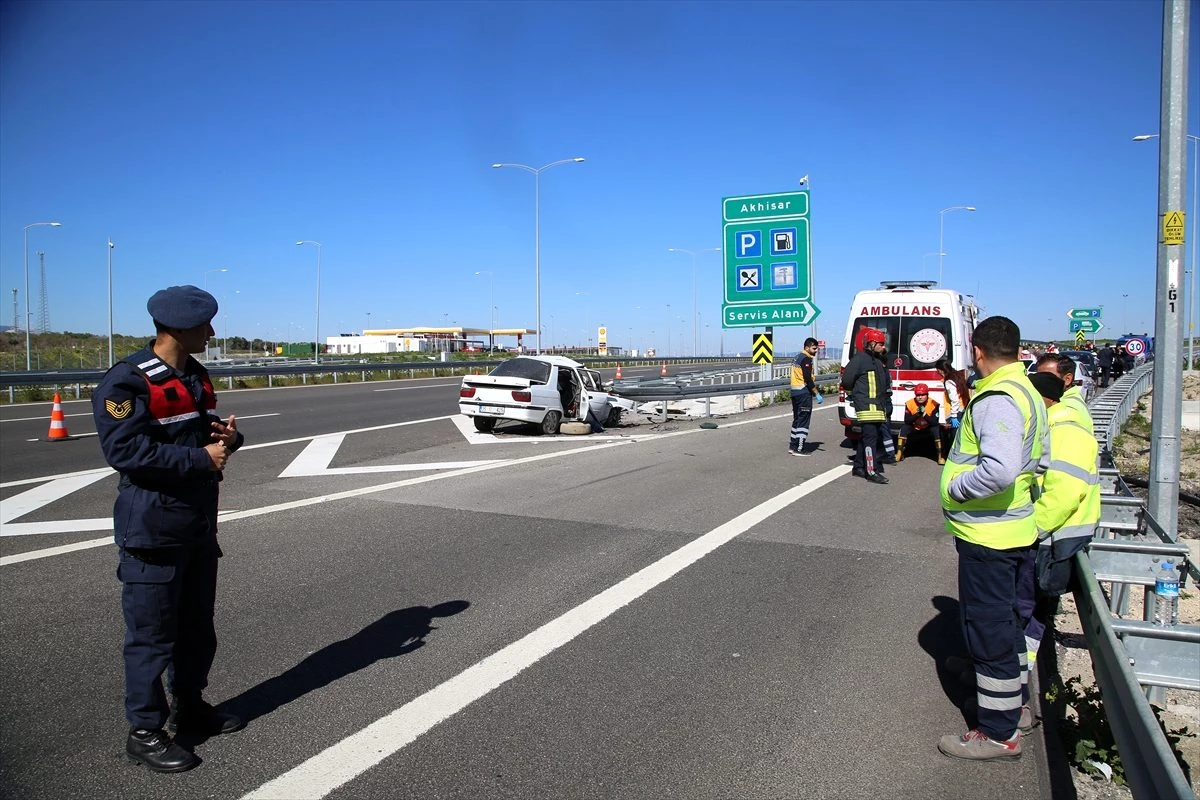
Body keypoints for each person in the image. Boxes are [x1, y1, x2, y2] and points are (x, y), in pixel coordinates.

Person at [92, 285, 245, 773]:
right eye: (205, 325)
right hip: (152, 528)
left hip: (196, 525)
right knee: (151, 636)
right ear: (177, 328)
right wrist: (200, 458)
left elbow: (195, 428)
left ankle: (190, 705)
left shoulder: (193, 375)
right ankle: (144, 731)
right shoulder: (128, 381)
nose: (212, 332)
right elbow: (126, 452)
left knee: (197, 626)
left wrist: (227, 438)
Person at [938, 315, 1048, 761]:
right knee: (1007, 625)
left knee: (990, 631)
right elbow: (1038, 460)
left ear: (977, 351)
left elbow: (999, 470)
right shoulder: (1028, 391)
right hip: (1017, 528)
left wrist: (955, 488)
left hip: (990, 536)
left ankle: (999, 732)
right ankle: (1014, 707)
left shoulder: (996, 398)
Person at [1020, 371, 1099, 674]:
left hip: (1053, 538)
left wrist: (1029, 531)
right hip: (1052, 536)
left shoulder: (1065, 431)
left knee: (1027, 611)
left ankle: (1016, 686)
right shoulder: (1054, 425)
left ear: (1045, 400)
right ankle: (1006, 672)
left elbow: (1063, 494)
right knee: (1025, 608)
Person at [841, 327, 890, 484]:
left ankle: (859, 467)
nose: (884, 347)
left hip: (877, 406)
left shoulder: (877, 361)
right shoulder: (860, 359)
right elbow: (847, 381)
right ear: (873, 343)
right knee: (871, 439)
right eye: (881, 344)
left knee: (867, 438)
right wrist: (858, 395)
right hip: (867, 406)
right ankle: (871, 471)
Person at [1035, 353, 1093, 429]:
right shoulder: (1066, 400)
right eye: (1038, 377)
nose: (1040, 381)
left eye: (1048, 377)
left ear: (1067, 379)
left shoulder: (1068, 408)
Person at [788, 337, 823, 456]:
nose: (816, 350)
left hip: (794, 392)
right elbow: (808, 379)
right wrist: (817, 393)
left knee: (797, 419)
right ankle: (799, 448)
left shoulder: (797, 357)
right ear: (807, 347)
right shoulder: (806, 359)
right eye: (814, 348)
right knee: (804, 420)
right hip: (803, 392)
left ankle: (793, 445)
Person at [897, 383, 944, 464]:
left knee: (937, 430)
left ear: (927, 395)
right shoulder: (909, 403)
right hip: (915, 426)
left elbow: (935, 423)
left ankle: (940, 456)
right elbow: (907, 421)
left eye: (922, 395)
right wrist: (917, 414)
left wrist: (924, 414)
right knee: (904, 428)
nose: (920, 397)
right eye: (918, 395)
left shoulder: (934, 404)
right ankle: (899, 454)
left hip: (928, 427)